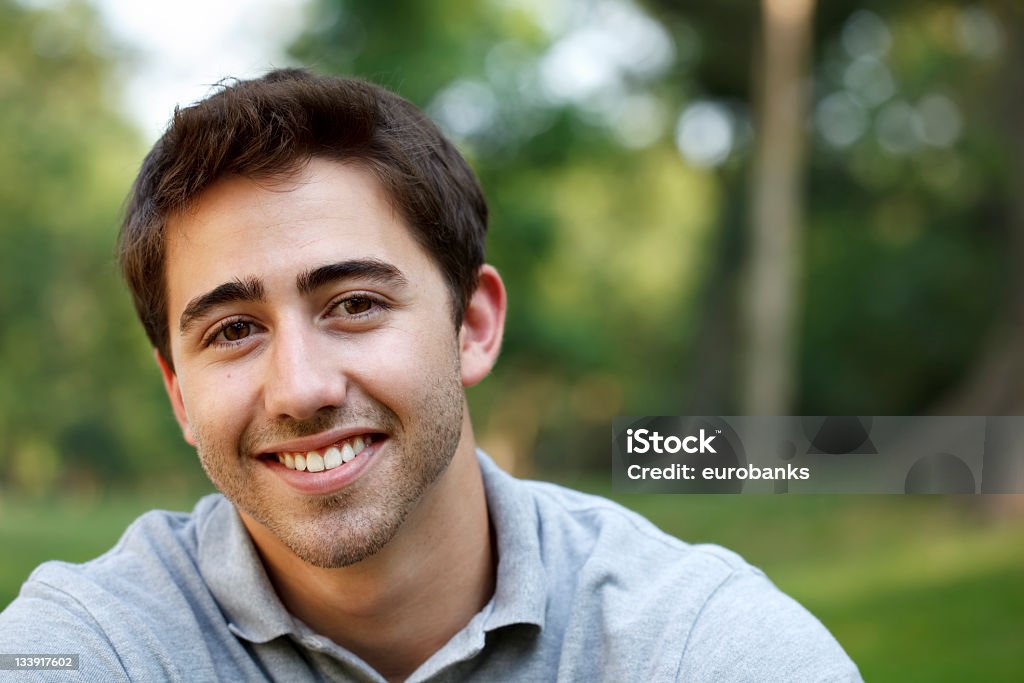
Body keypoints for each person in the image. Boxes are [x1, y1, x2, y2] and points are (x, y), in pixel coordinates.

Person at [0, 69, 861, 682]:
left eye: (354, 304)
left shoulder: (693, 644)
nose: (301, 389)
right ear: (180, 395)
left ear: (472, 326)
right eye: (233, 330)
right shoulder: (95, 645)